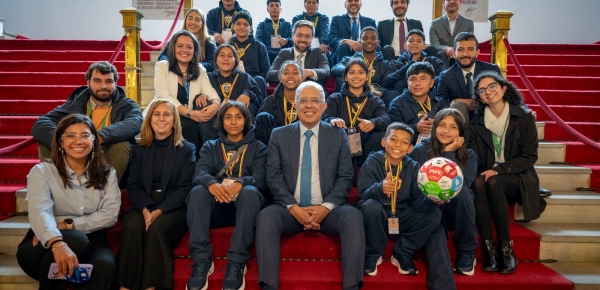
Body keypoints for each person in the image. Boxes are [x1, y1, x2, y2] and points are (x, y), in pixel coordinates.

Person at [256, 82, 365, 290]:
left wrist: (325, 208)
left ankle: (352, 286)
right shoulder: (278, 135)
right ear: (295, 105)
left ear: (324, 106)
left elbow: (345, 177)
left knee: (353, 217)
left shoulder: (337, 135)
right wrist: (294, 208)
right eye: (303, 100)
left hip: (327, 209)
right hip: (289, 209)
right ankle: (268, 286)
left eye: (315, 100)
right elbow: (273, 177)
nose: (309, 105)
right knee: (266, 217)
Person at [18, 113, 120, 290]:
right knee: (76, 240)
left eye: (85, 135)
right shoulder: (42, 171)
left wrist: (68, 225)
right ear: (60, 142)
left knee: (106, 264)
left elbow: (110, 215)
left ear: (94, 141)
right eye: (71, 135)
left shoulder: (107, 173)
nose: (78, 141)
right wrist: (57, 242)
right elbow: (40, 211)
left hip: (93, 240)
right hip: (44, 245)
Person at [356, 122, 454, 290]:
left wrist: (433, 200)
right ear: (383, 142)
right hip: (378, 216)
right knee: (370, 207)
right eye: (393, 139)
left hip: (402, 216)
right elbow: (362, 196)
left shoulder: (415, 167)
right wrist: (380, 188)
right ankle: (373, 253)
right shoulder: (372, 161)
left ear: (410, 148)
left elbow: (418, 203)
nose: (398, 145)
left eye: (404, 142)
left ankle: (403, 251)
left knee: (435, 214)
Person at [469, 71, 546, 274]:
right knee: (479, 182)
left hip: (516, 176)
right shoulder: (475, 123)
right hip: (485, 174)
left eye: (492, 86)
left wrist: (500, 170)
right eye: (482, 90)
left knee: (493, 181)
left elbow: (530, 157)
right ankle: (488, 250)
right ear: (479, 97)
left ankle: (505, 248)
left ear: (504, 88)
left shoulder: (523, 118)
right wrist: (489, 172)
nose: (488, 92)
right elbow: (474, 157)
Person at [186, 101, 267, 290]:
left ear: (246, 121)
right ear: (221, 121)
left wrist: (241, 183)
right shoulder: (210, 146)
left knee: (250, 192)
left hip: (245, 209)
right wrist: (212, 184)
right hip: (216, 208)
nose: (233, 122)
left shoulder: (258, 147)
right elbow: (200, 173)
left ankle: (237, 262)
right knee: (198, 191)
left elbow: (261, 178)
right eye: (228, 117)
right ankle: (201, 260)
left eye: (238, 117)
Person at [117, 100, 196, 290]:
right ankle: (125, 286)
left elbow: (186, 188)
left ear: (174, 120)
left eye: (166, 114)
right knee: (133, 226)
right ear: (150, 119)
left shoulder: (187, 149)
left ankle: (151, 287)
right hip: (143, 204)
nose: (161, 119)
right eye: (156, 114)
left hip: (173, 207)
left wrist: (160, 210)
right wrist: (145, 210)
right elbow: (133, 186)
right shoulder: (138, 149)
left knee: (156, 229)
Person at [31, 61, 142, 182]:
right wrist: (65, 140)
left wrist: (100, 137)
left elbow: (134, 123)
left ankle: (104, 190)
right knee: (45, 144)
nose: (103, 86)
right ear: (88, 83)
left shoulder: (127, 106)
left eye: (109, 81)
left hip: (107, 158)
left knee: (121, 145)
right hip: (75, 154)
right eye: (97, 81)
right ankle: (59, 187)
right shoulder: (74, 104)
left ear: (116, 83)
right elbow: (41, 124)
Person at [409, 108, 478, 276]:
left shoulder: (469, 155)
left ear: (461, 132)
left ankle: (467, 250)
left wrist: (448, 153)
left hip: (453, 211)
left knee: (463, 193)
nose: (446, 131)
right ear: (434, 128)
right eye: (441, 125)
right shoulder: (420, 150)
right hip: (427, 210)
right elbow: (414, 186)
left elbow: (464, 185)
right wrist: (431, 198)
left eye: (453, 127)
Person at [151, 30, 220, 155]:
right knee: (189, 125)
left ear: (194, 51)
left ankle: (203, 160)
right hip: (166, 113)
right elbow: (165, 97)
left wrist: (215, 105)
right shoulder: (162, 67)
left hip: (192, 116)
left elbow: (211, 92)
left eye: (189, 47)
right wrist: (190, 113)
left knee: (198, 121)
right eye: (180, 46)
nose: (185, 50)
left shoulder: (199, 69)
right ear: (173, 48)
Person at [323, 58, 391, 166]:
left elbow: (385, 119)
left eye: (360, 73)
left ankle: (370, 170)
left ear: (367, 76)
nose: (356, 76)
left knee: (380, 135)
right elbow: (324, 117)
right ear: (345, 77)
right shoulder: (335, 98)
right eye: (352, 73)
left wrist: (373, 123)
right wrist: (333, 120)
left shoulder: (375, 100)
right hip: (342, 143)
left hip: (366, 146)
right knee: (331, 131)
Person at [435, 32, 501, 124]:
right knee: (459, 105)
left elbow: (506, 93)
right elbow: (438, 101)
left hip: (489, 119)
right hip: (460, 123)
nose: (465, 54)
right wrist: (455, 102)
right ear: (454, 53)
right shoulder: (446, 76)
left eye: (470, 49)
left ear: (477, 52)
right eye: (461, 49)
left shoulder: (491, 70)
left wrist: (524, 109)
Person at [388, 62, 448, 145]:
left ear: (431, 83)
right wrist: (415, 127)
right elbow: (393, 130)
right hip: (409, 148)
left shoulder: (441, 102)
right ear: (407, 83)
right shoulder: (396, 104)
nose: (417, 83)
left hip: (439, 145)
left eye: (423, 78)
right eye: (412, 79)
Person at [382, 29, 445, 105]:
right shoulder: (396, 63)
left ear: (424, 46)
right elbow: (386, 81)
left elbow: (442, 79)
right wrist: (406, 67)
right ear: (405, 45)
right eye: (411, 41)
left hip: (428, 97)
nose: (415, 43)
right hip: (403, 100)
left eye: (418, 41)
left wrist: (424, 80)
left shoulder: (434, 61)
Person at [331, 27, 395, 102]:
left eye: (373, 38)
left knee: (394, 94)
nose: (369, 41)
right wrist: (354, 70)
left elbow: (390, 84)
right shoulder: (350, 59)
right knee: (340, 79)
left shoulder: (385, 64)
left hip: (377, 98)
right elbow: (335, 68)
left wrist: (381, 91)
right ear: (360, 42)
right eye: (365, 38)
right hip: (354, 94)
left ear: (378, 42)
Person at [266, 20, 330, 84]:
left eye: (307, 36)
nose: (303, 39)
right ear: (293, 36)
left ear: (312, 38)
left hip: (311, 92)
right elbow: (270, 74)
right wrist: (292, 74)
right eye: (299, 35)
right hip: (288, 92)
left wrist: (309, 72)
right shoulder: (284, 53)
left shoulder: (317, 52)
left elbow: (326, 71)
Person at [255, 61, 303, 146]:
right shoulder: (270, 101)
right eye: (286, 73)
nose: (290, 76)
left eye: (295, 72)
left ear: (302, 77)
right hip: (275, 147)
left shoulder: (308, 102)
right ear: (280, 78)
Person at [208, 44, 262, 116]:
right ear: (216, 60)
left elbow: (258, 97)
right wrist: (199, 96)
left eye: (230, 56)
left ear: (236, 60)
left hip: (238, 116)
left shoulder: (245, 77)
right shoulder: (209, 77)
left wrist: (248, 94)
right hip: (215, 115)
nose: (226, 59)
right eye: (222, 55)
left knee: (249, 105)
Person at [158, 8, 217, 73]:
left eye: (197, 20)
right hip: (177, 74)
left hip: (199, 76)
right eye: (190, 18)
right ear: (185, 20)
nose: (193, 22)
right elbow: (162, 56)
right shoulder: (176, 38)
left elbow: (212, 63)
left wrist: (191, 67)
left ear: (202, 24)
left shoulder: (209, 41)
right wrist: (173, 65)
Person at [230, 11, 270, 101]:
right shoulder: (227, 46)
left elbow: (266, 71)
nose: (241, 27)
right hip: (231, 81)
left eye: (245, 24)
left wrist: (249, 78)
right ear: (233, 26)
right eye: (238, 24)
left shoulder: (259, 46)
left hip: (252, 83)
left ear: (251, 28)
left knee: (260, 79)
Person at [428, 0, 474, 68]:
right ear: (444, 2)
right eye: (448, 0)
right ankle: (445, 77)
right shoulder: (434, 24)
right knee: (441, 54)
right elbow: (435, 45)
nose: (452, 1)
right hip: (441, 59)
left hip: (461, 56)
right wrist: (446, 49)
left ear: (461, 1)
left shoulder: (468, 23)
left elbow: (469, 43)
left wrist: (456, 51)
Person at [329, 0, 377, 65]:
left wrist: (364, 43)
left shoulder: (370, 21)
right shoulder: (337, 19)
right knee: (343, 46)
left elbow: (375, 40)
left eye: (356, 0)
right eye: (350, 1)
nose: (353, 3)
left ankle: (374, 73)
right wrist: (347, 41)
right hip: (344, 51)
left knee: (376, 47)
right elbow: (331, 39)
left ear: (361, 4)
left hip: (364, 51)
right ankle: (343, 73)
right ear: (345, 4)